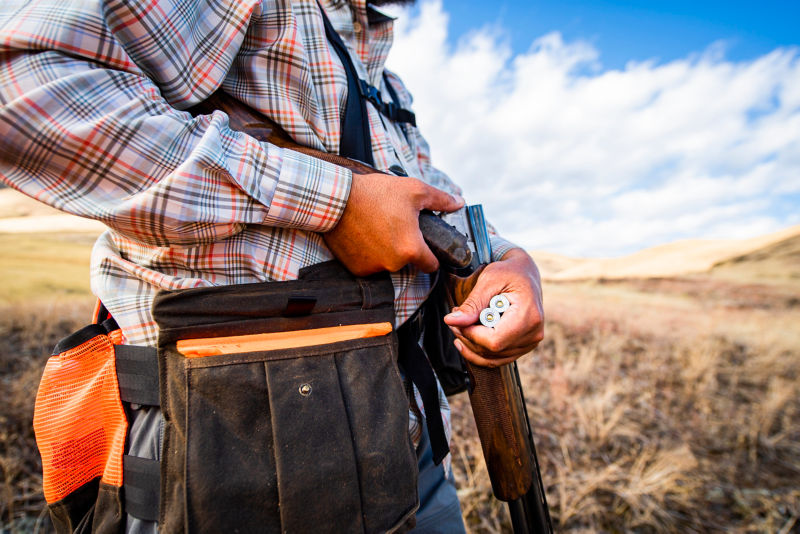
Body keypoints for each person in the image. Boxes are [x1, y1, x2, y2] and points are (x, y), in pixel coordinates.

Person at [0, 0, 544, 531]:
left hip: (408, 438)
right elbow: (21, 88)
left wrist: (512, 262)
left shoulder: (382, 69)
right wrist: (337, 202)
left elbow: (431, 203)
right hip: (231, 444)